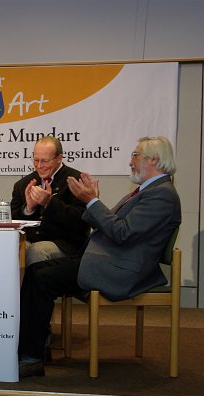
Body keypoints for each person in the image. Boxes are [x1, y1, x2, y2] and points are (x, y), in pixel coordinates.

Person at [18, 136, 181, 377]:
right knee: (35, 271)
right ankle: (31, 349)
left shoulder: (161, 195)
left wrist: (91, 201)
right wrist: (92, 200)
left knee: (42, 278)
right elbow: (110, 225)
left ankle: (30, 356)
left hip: (120, 268)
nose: (130, 162)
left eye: (135, 156)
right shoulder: (146, 191)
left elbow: (121, 233)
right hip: (106, 259)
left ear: (154, 159)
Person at [11, 136, 89, 266]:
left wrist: (49, 203)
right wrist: (28, 209)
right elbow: (11, 220)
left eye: (45, 161)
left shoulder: (76, 181)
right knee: (10, 247)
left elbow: (82, 222)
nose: (39, 166)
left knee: (37, 250)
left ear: (59, 158)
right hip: (30, 240)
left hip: (66, 244)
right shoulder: (23, 184)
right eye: (36, 160)